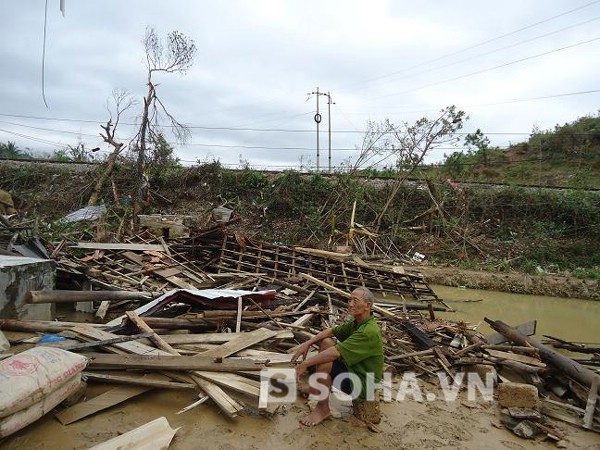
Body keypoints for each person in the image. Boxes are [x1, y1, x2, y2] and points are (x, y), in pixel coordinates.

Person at [292, 286, 384, 426]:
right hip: (354, 370)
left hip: (364, 384)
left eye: (355, 300)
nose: (350, 304)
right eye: (349, 300)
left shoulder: (368, 331)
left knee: (325, 361)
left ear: (368, 305)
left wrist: (305, 364)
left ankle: (323, 408)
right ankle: (318, 388)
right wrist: (308, 343)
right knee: (327, 343)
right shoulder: (357, 323)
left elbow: (335, 353)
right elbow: (330, 331)